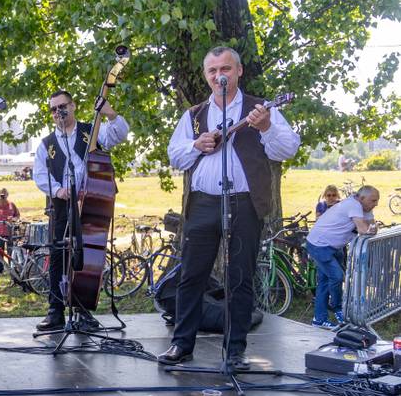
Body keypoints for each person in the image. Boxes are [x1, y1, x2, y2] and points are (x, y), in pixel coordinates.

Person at [158, 46, 300, 370]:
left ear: (238, 71)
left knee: (240, 277)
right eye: (213, 71)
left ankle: (235, 350)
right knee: (191, 275)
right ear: (207, 76)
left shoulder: (260, 109)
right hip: (204, 202)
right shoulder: (193, 116)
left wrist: (265, 127)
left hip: (243, 202)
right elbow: (175, 155)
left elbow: (287, 148)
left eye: (225, 69)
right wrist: (197, 145)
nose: (219, 75)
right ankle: (182, 344)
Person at [32, 89, 130, 332]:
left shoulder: (92, 131)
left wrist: (110, 113)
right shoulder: (47, 144)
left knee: (86, 257)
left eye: (62, 106)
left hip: (92, 201)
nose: (58, 112)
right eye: (53, 109)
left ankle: (83, 310)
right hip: (62, 205)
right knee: (57, 255)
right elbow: (40, 175)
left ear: (73, 106)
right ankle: (55, 311)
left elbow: (119, 134)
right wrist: (58, 191)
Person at [306, 186, 379, 329]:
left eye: (377, 200)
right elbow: (365, 230)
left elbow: (373, 227)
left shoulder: (365, 207)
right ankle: (338, 308)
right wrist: (369, 228)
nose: (376, 204)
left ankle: (319, 320)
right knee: (337, 277)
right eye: (373, 200)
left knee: (325, 282)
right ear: (362, 198)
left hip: (333, 246)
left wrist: (370, 228)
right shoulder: (354, 205)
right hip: (319, 245)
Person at [0, 189, 20, 273]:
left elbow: (17, 215)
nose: (3, 196)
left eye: (4, 194)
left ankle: (12, 270)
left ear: (7, 194)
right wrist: (0, 204)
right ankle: (0, 271)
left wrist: (13, 219)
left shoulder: (11, 204)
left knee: (11, 251)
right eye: (1, 194)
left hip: (10, 231)